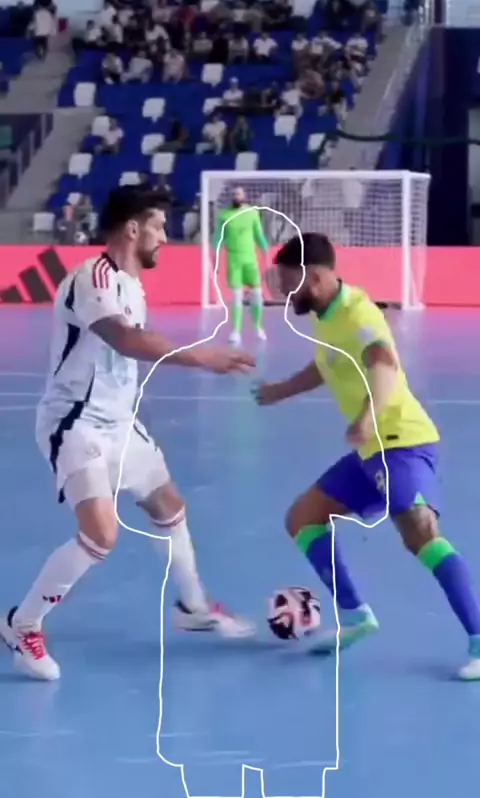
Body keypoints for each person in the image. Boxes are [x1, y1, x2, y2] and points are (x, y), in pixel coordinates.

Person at [0, 187, 256, 682]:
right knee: (102, 534)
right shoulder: (91, 278)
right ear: (133, 229)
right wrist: (202, 357)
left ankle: (194, 607)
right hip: (76, 423)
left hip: (120, 422)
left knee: (169, 506)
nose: (165, 237)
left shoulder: (133, 286)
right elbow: (125, 339)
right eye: (159, 227)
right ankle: (22, 624)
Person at [254, 232, 480, 680]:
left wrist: (366, 417)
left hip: (399, 439)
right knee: (303, 518)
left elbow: (383, 366)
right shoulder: (326, 315)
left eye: (289, 280)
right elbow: (327, 364)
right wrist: (281, 390)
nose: (284, 290)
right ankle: (356, 616)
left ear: (315, 277)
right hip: (371, 448)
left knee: (420, 533)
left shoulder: (359, 315)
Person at [213, 187, 269, 345]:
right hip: (234, 261)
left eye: (238, 194)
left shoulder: (252, 213)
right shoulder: (224, 215)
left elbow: (259, 235)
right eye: (234, 194)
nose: (236, 196)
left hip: (250, 261)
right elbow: (218, 238)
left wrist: (266, 253)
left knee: (256, 295)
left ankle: (258, 327)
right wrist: (215, 256)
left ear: (244, 196)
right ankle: (236, 331)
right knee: (237, 297)